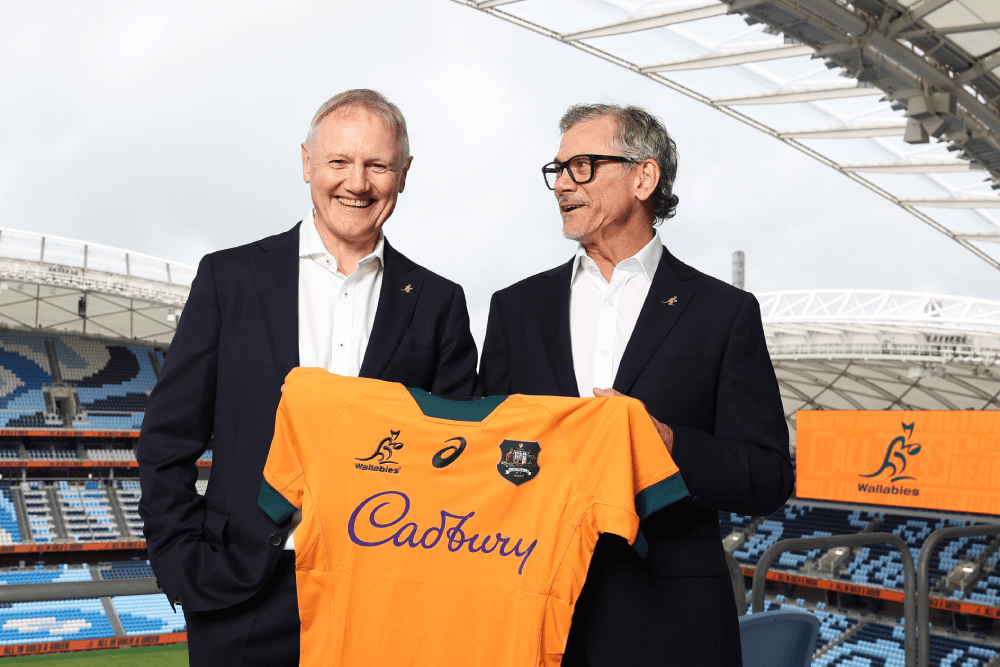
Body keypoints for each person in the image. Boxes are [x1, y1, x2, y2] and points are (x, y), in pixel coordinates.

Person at [137, 89, 479, 667]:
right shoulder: (230, 279)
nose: (357, 183)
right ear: (306, 163)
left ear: (404, 174)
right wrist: (182, 565)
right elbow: (167, 439)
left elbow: (459, 462)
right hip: (241, 593)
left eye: (377, 165)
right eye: (339, 162)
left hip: (383, 604)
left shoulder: (439, 303)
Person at [479, 103, 792, 667]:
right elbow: (486, 456)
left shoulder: (723, 313)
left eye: (582, 166)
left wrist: (666, 444)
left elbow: (767, 475)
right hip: (534, 615)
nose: (561, 186)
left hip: (671, 626)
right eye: (557, 171)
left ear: (644, 177)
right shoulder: (515, 309)